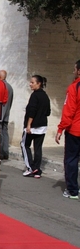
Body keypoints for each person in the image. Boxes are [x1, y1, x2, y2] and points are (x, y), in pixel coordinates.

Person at [55, 60, 80, 199]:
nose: (73, 71)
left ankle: (72, 190)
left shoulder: (74, 88)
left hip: (75, 130)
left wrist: (60, 129)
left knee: (71, 159)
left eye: (75, 69)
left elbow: (69, 111)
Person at [20, 75, 51, 179]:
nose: (30, 84)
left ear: (39, 84)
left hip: (32, 127)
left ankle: (31, 168)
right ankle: (37, 169)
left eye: (32, 82)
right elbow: (48, 112)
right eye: (30, 82)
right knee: (38, 148)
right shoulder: (45, 96)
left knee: (24, 145)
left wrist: (29, 125)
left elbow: (32, 111)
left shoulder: (35, 95)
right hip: (42, 126)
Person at [0, 70, 14, 160]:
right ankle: (5, 152)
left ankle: (0, 153)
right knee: (5, 132)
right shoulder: (10, 87)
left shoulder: (0, 86)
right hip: (6, 113)